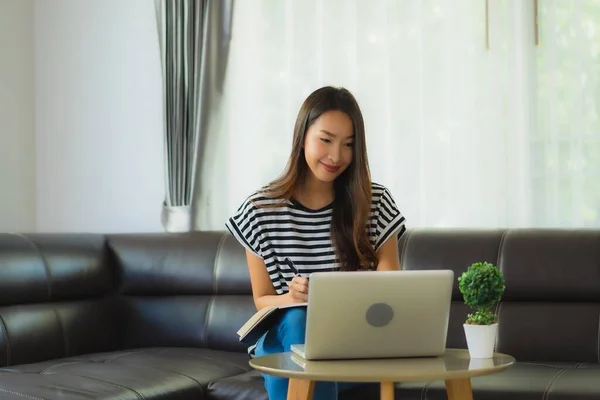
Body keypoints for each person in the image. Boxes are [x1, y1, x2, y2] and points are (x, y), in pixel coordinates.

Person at [225, 86, 407, 400]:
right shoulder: (260, 210)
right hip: (286, 338)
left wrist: (358, 288)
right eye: (326, 140)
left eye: (348, 145)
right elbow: (262, 299)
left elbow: (390, 284)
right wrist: (291, 297)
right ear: (302, 136)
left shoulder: (374, 202)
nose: (336, 156)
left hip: (354, 338)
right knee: (298, 318)